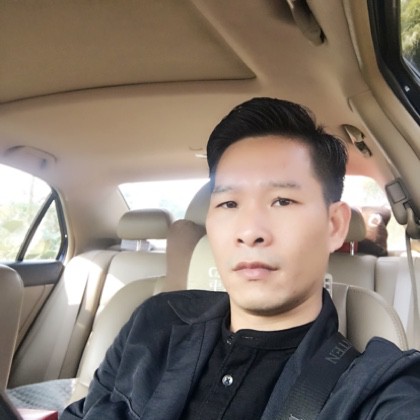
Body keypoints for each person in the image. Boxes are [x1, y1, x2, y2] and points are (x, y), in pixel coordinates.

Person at [61, 98, 420, 419]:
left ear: (334, 225)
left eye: (282, 201)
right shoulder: (154, 322)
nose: (249, 232)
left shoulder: (373, 386)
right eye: (229, 203)